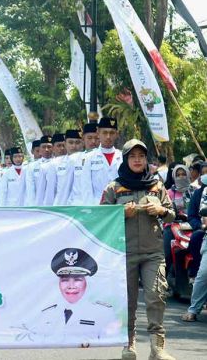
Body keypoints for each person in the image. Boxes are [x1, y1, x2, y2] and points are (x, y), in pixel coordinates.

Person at [100, 139, 175, 360]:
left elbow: (171, 213)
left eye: (141, 156)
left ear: (146, 160)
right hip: (124, 252)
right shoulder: (113, 187)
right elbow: (101, 216)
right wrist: (120, 212)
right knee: (128, 300)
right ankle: (129, 344)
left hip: (153, 252)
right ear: (125, 160)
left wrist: (160, 209)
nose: (137, 160)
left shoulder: (157, 185)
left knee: (156, 296)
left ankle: (157, 348)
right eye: (132, 156)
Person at [24, 248, 119, 345]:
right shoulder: (46, 314)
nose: (71, 286)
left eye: (77, 280)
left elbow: (112, 346)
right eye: (65, 280)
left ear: (87, 283)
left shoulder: (103, 312)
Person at [82, 117, 122, 205]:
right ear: (98, 133)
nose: (108, 137)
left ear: (117, 134)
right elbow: (86, 188)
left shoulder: (123, 156)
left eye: (112, 133)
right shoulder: (89, 157)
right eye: (105, 133)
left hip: (119, 206)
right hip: (97, 206)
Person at [55, 128, 90, 206]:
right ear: (65, 144)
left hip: (81, 204)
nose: (74, 146)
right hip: (61, 206)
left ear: (82, 143)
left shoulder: (88, 160)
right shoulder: (56, 163)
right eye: (70, 142)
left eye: (77, 143)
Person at [25, 136, 52, 206]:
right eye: (43, 147)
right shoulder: (31, 166)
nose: (46, 149)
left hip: (55, 205)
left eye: (49, 147)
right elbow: (30, 190)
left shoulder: (58, 164)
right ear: (40, 149)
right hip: (38, 205)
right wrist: (34, 207)